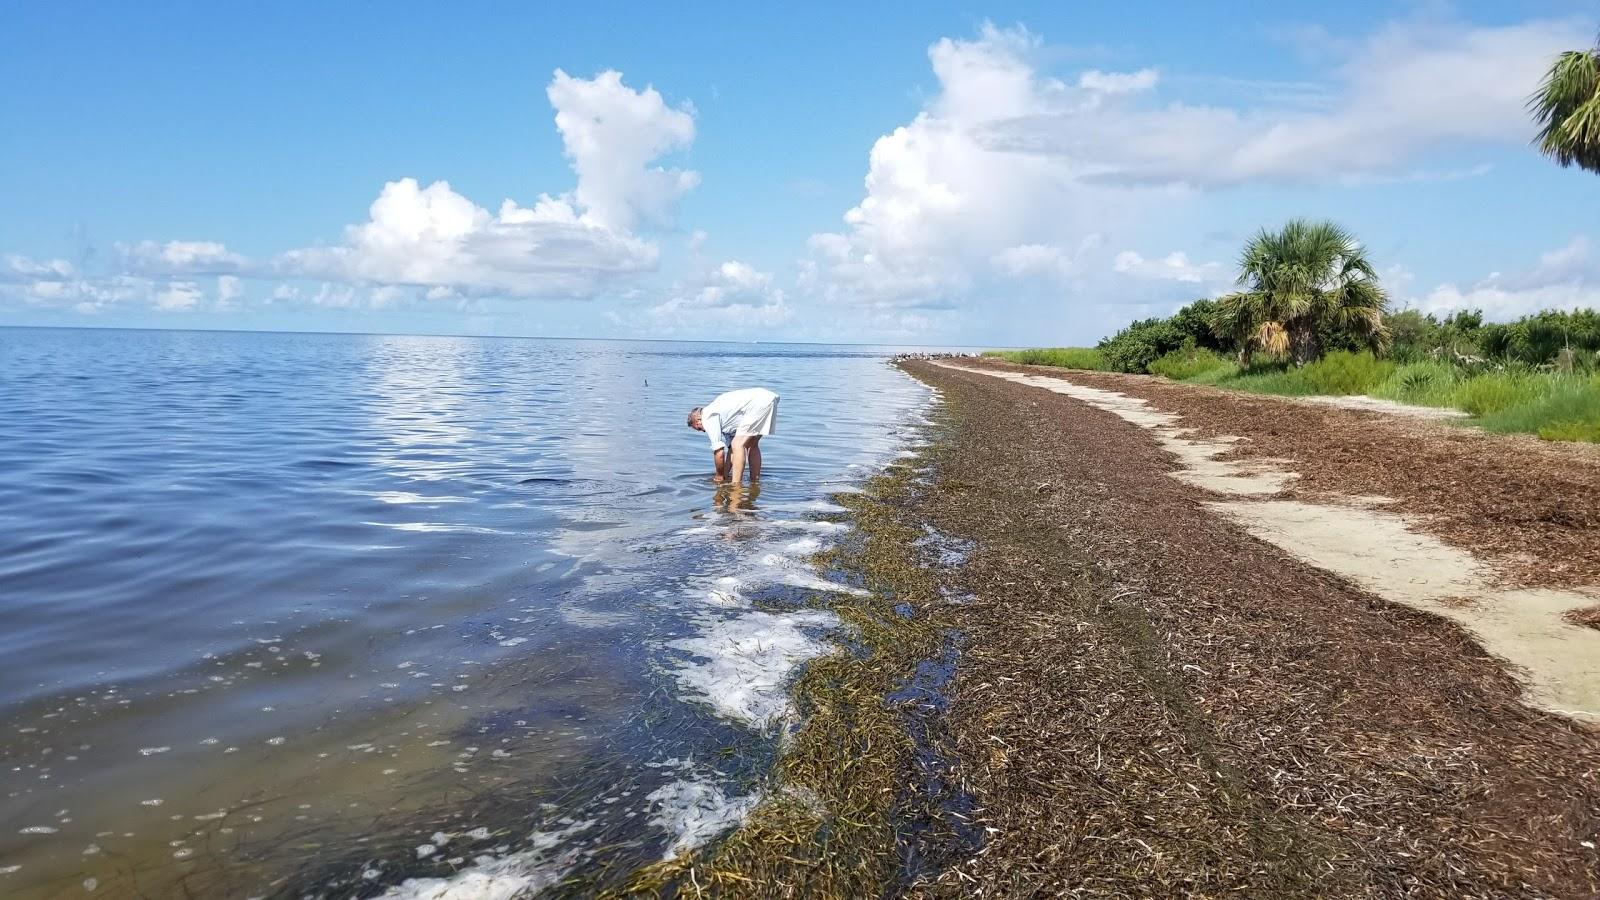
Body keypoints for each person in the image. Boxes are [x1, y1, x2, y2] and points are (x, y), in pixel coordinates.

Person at [687, 387, 779, 483]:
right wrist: (725, 475)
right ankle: (754, 481)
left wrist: (719, 476)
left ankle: (736, 487)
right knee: (751, 444)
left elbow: (719, 452)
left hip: (757, 403)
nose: (703, 431)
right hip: (769, 399)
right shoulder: (724, 419)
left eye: (699, 428)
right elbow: (731, 451)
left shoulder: (708, 416)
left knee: (738, 445)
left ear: (698, 420)